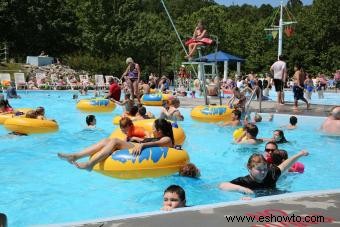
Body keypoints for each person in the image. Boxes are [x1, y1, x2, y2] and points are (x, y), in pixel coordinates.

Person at [58, 118, 174, 170]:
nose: (152, 130)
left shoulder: (167, 139)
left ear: (159, 130)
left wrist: (142, 145)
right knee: (105, 140)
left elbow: (158, 143)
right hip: (136, 144)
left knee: (115, 141)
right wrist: (138, 140)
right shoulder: (157, 136)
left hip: (139, 148)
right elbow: (150, 140)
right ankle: (75, 156)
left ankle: (90, 164)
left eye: (154, 129)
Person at [219, 150, 309, 194]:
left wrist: (300, 154)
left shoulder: (271, 174)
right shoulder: (244, 181)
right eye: (259, 169)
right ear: (249, 168)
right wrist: (243, 189)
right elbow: (222, 185)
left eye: (265, 169)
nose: (263, 172)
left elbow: (285, 165)